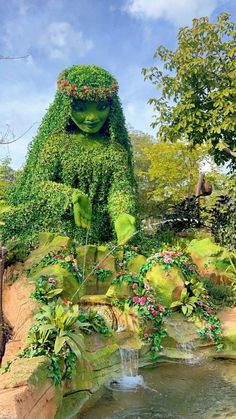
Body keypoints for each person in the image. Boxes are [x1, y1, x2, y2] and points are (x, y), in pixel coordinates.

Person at [2, 65, 137, 247]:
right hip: (56, 220)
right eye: (80, 108)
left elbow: (121, 189)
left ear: (111, 109)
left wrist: (122, 214)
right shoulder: (56, 143)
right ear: (65, 107)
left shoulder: (116, 151)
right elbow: (37, 184)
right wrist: (70, 196)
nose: (91, 117)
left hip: (99, 227)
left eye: (101, 107)